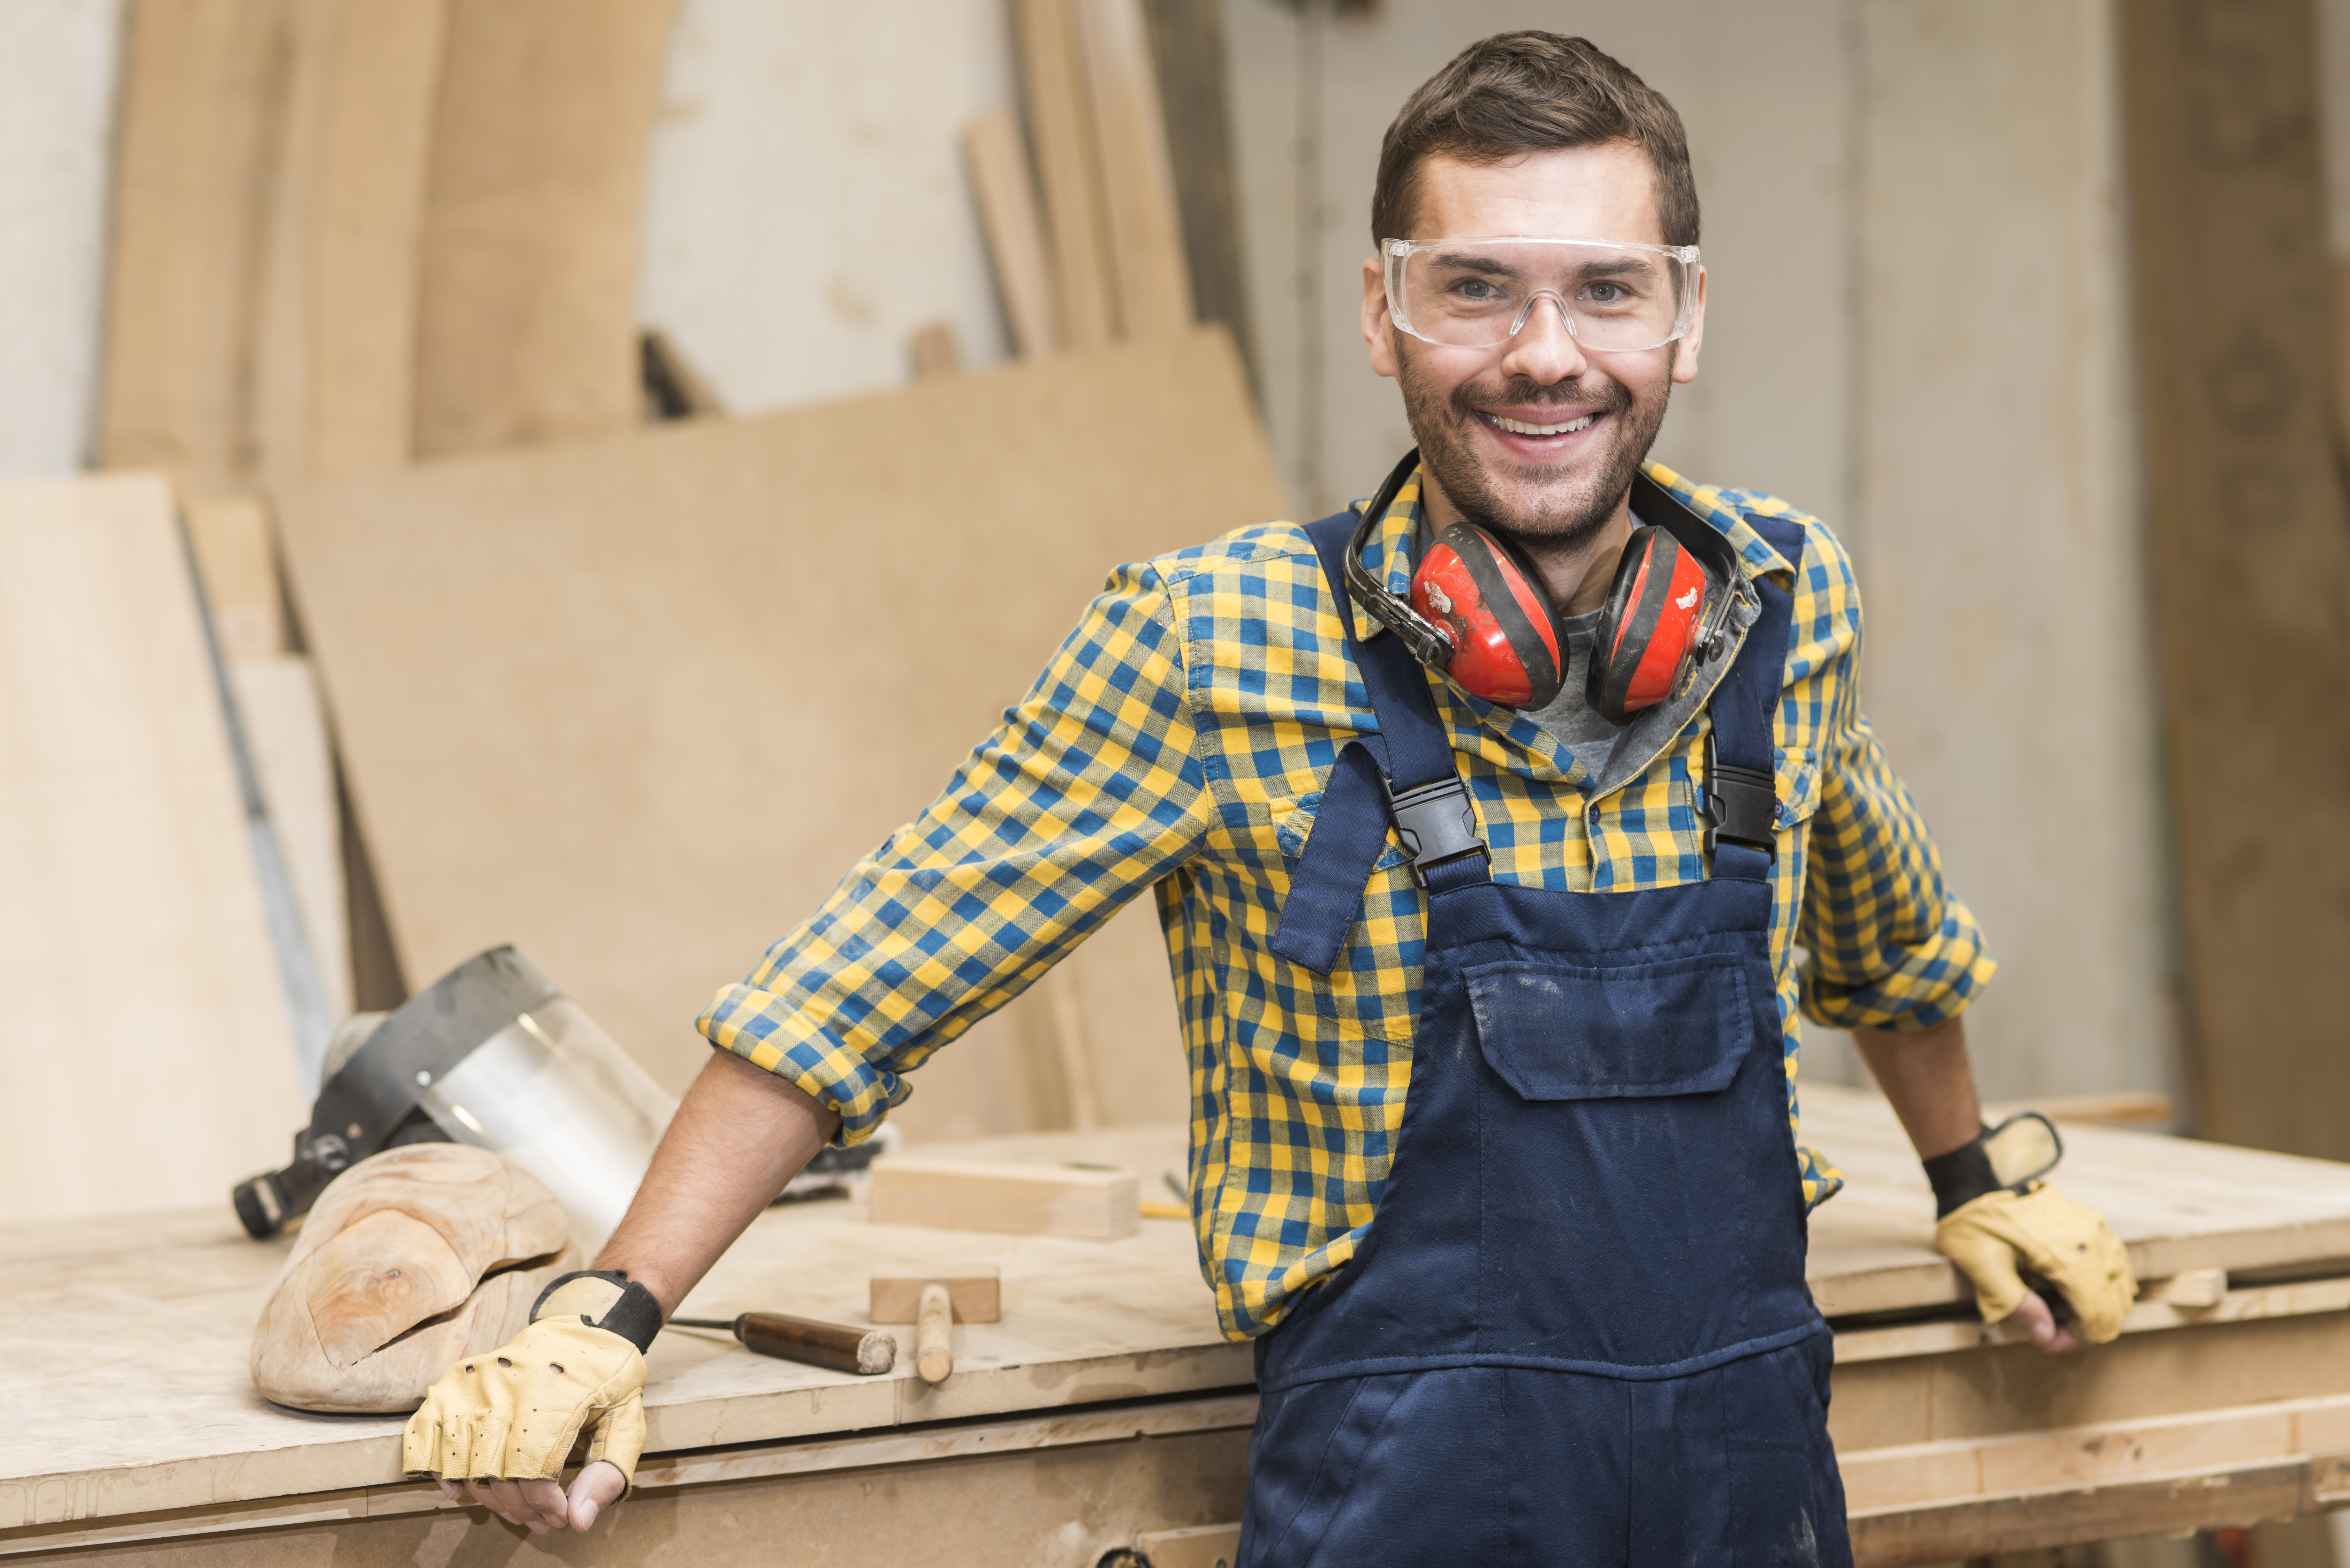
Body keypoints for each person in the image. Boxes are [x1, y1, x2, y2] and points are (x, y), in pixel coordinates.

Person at [401, 32, 2135, 1564]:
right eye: (1477, 288)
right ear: (1383, 310)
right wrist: (604, 1316)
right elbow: (854, 984)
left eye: (1606, 288)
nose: (1549, 352)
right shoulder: (1212, 640)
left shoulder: (1788, 599)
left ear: (1684, 316)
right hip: (1406, 1500)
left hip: (1746, 1491)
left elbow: (1889, 935)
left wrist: (1974, 1174)